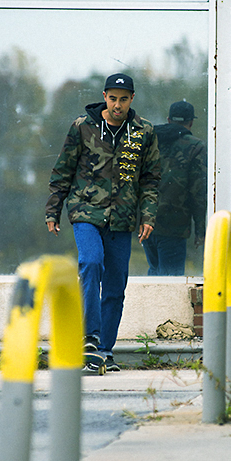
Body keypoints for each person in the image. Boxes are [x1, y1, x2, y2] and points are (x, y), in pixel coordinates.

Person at [45, 73, 160, 373]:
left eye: (123, 99)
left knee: (115, 286)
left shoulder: (143, 132)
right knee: (91, 262)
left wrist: (147, 215)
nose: (117, 104)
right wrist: (52, 210)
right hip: (86, 211)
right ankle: (90, 337)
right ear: (104, 96)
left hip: (121, 219)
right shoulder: (82, 127)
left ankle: (104, 352)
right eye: (113, 98)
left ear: (132, 99)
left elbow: (150, 180)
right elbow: (63, 171)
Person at [143, 100, 207, 276]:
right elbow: (198, 191)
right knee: (171, 282)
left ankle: (150, 305)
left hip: (147, 222)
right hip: (174, 225)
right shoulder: (195, 147)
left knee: (154, 273)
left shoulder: (149, 141)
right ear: (191, 122)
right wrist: (200, 230)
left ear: (168, 119)